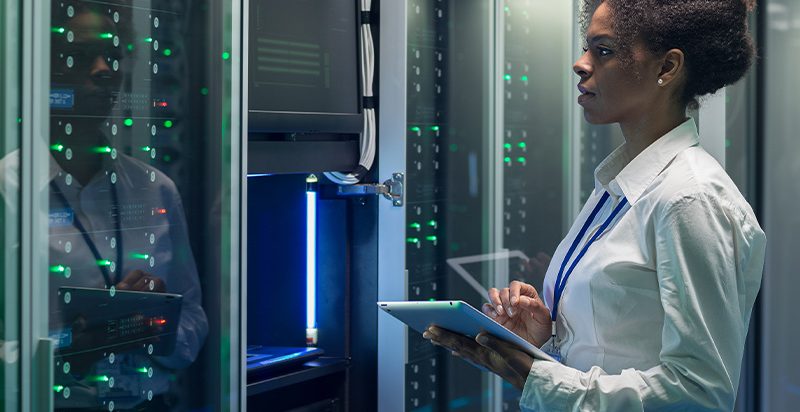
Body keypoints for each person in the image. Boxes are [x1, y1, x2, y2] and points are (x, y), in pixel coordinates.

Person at [423, 0, 766, 410]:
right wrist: (545, 341)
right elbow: (617, 347)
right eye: (587, 48)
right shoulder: (624, 185)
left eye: (603, 51)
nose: (580, 64)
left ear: (666, 68)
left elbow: (699, 393)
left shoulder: (690, 199)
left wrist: (538, 375)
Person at [1, 3, 208, 410]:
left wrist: (155, 323)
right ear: (41, 70)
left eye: (113, 56)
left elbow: (194, 320)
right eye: (79, 56)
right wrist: (68, 348)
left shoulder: (155, 189)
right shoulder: (8, 190)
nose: (104, 69)